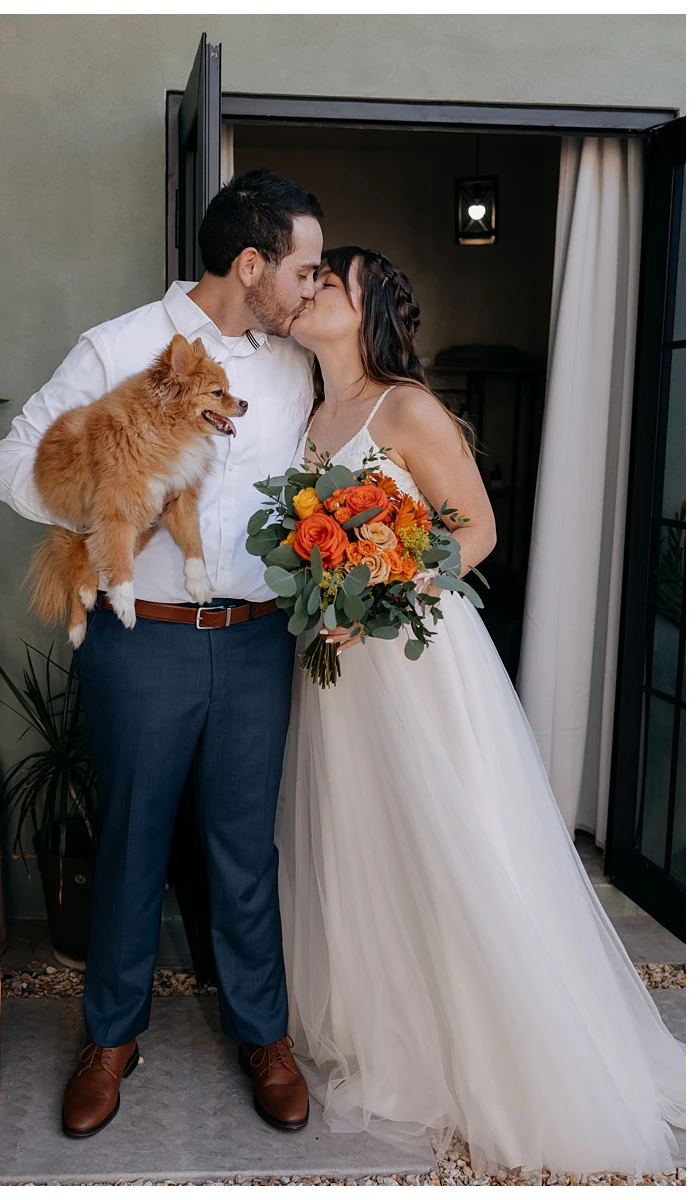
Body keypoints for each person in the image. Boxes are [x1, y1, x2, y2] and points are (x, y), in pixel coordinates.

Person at [278, 246, 686, 1174]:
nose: (308, 295)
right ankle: (390, 1036)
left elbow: (478, 530)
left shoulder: (404, 407)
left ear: (367, 305)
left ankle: (506, 1044)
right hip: (334, 666)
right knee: (363, 838)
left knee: (452, 836)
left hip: (414, 660)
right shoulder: (313, 413)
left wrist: (381, 591)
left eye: (325, 283)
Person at [0, 169, 324, 1138]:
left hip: (259, 642)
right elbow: (12, 461)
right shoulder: (118, 346)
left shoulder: (290, 369)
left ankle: (262, 1032)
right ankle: (109, 1036)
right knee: (129, 842)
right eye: (300, 269)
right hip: (143, 642)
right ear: (249, 263)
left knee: (241, 851)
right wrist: (110, 512)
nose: (310, 287)